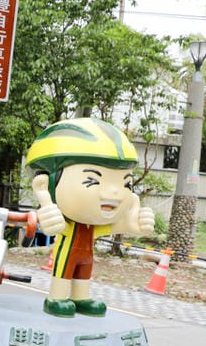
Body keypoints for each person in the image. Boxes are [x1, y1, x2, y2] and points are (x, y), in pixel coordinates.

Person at [26, 116, 155, 317]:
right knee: (64, 270)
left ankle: (80, 297)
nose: (115, 193)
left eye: (126, 184)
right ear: (46, 184)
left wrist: (131, 225)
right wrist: (47, 211)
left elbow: (109, 228)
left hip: (87, 254)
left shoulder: (90, 226)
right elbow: (56, 228)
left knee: (84, 272)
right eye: (92, 180)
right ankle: (56, 298)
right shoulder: (67, 222)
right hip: (67, 252)